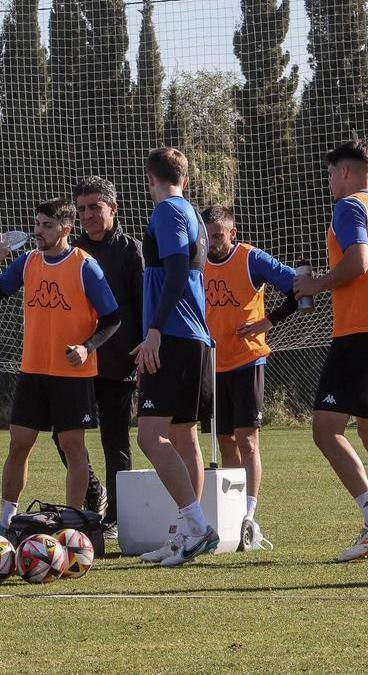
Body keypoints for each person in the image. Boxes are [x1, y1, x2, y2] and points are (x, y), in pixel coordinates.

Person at [292, 140, 368, 562]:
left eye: (330, 174)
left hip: (360, 331)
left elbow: (358, 262)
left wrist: (315, 284)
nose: (329, 182)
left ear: (345, 172)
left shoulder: (349, 207)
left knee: (325, 429)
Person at [0, 198, 121, 532]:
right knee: (19, 444)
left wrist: (87, 348)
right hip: (33, 371)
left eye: (47, 225)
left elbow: (113, 318)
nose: (38, 231)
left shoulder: (85, 266)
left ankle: (71, 523)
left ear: (65, 229)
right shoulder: (28, 262)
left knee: (72, 447)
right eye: (37, 224)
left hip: (71, 375)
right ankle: (6, 522)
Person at [133, 147, 219, 567]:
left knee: (149, 436)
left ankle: (197, 525)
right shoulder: (193, 214)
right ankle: (186, 534)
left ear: (150, 179)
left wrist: (154, 330)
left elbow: (177, 271)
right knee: (185, 436)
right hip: (194, 336)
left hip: (172, 335)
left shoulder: (166, 211)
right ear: (185, 179)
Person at [49, 176, 144, 537]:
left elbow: (144, 306)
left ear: (112, 208)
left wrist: (145, 351)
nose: (87, 215)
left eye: (95, 207)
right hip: (77, 365)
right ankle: (94, 492)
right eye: (82, 209)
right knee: (62, 436)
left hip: (119, 364)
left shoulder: (132, 251)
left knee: (115, 442)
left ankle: (116, 519)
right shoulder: (71, 252)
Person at [201, 204, 299, 550]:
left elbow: (297, 286)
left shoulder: (251, 259)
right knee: (224, 440)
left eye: (217, 235)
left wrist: (268, 321)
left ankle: (249, 515)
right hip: (212, 363)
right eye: (207, 236)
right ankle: (233, 512)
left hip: (247, 361)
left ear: (232, 233)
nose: (212, 243)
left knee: (248, 440)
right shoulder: (195, 261)